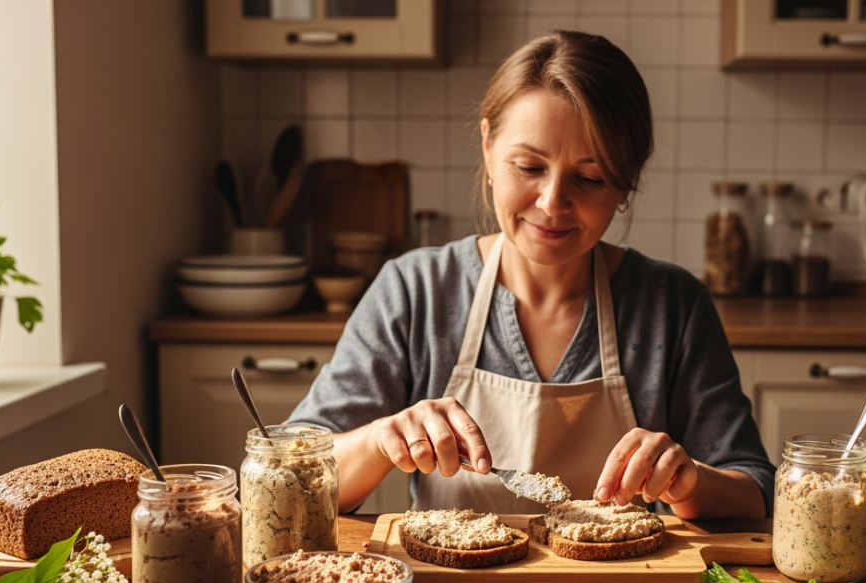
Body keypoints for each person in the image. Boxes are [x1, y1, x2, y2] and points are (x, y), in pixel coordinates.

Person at [289, 30, 772, 520]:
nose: (552, 203)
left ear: (628, 180)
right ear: (488, 150)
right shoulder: (417, 292)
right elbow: (290, 481)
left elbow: (755, 492)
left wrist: (690, 482)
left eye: (589, 178)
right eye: (528, 166)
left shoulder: (672, 306)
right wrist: (377, 441)